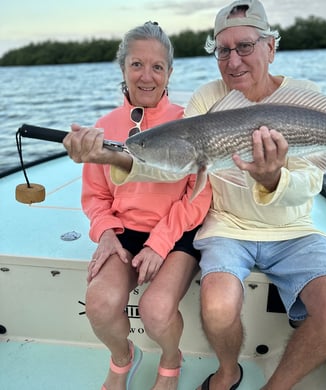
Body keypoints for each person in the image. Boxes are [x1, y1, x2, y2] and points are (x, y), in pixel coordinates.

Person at [183, 1, 326, 389]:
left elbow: (311, 184)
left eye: (244, 46)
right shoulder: (205, 99)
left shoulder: (304, 96)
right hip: (228, 226)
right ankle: (229, 371)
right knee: (216, 306)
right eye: (222, 49)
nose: (233, 61)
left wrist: (271, 179)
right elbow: (174, 158)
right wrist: (112, 158)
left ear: (271, 48)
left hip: (293, 228)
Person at [63, 22, 212, 390]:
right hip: (125, 231)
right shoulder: (104, 127)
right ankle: (123, 358)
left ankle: (171, 360)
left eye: (157, 67)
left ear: (170, 73)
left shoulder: (189, 121)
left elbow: (199, 194)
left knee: (156, 310)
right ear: (123, 68)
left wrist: (159, 243)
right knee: (98, 302)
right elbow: (96, 197)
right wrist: (106, 233)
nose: (147, 76)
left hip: (177, 231)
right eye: (137, 65)